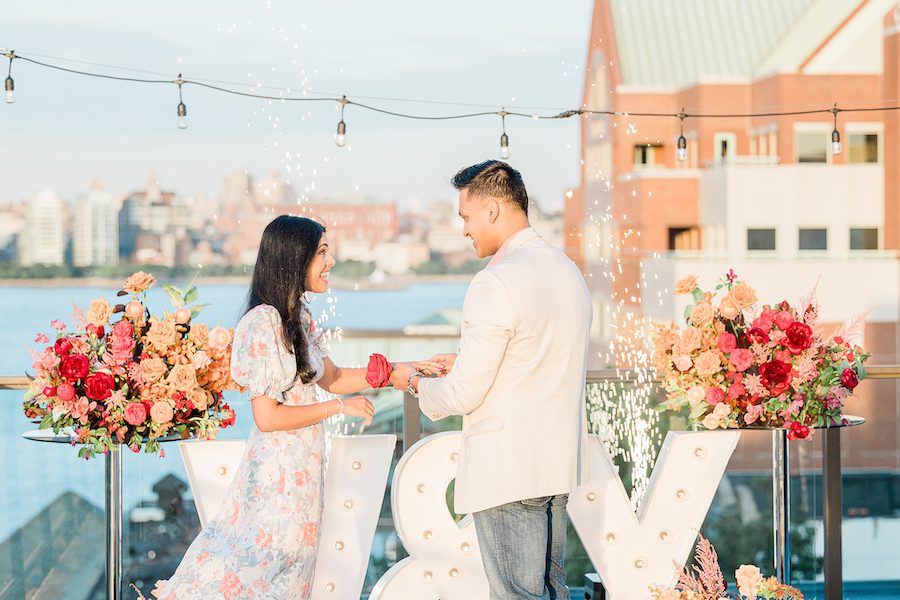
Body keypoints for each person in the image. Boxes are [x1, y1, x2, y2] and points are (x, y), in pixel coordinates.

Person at [152, 215, 435, 599]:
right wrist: (336, 409)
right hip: (275, 476)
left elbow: (332, 377)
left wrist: (403, 370)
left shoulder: (296, 317)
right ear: (293, 258)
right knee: (260, 571)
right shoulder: (262, 322)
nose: (331, 261)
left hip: (301, 472)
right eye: (321, 252)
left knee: (292, 574)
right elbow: (267, 418)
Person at [392, 161, 593, 599]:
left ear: (492, 209)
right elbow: (535, 358)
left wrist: (409, 381)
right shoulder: (566, 271)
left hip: (508, 471)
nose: (464, 229)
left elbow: (462, 395)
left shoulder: (496, 282)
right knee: (551, 592)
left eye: (465, 216)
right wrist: (464, 361)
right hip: (555, 466)